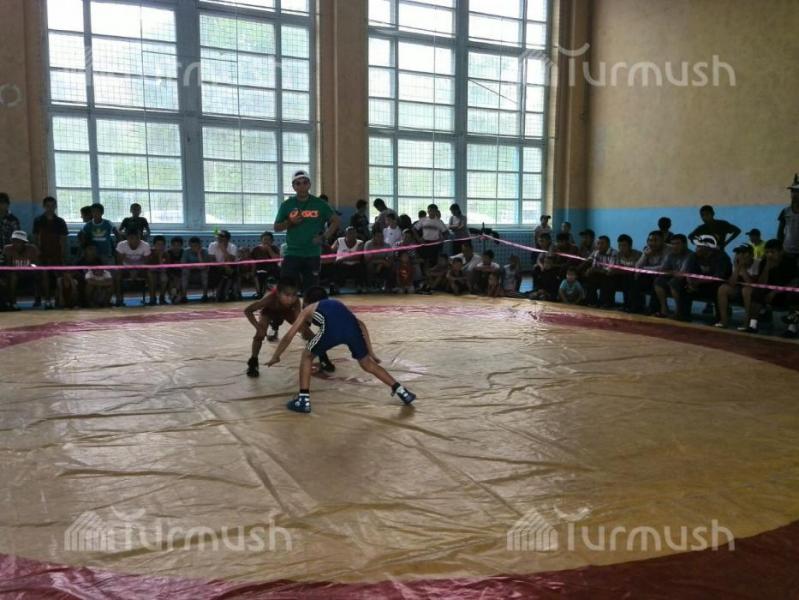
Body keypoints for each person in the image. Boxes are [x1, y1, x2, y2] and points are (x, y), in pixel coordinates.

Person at [266, 287, 417, 413]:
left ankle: (303, 401)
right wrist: (370, 352)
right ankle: (402, 391)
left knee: (307, 356)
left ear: (306, 301)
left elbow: (289, 335)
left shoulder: (309, 309)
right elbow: (361, 325)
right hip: (352, 330)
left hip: (332, 330)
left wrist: (276, 356)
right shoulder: (336, 303)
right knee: (367, 364)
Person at [244, 277, 336, 378]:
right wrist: (258, 327)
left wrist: (304, 330)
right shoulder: (269, 298)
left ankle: (323, 358)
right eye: (287, 295)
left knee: (308, 334)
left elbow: (298, 321)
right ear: (278, 294)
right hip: (269, 312)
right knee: (260, 334)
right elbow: (248, 310)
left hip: (287, 312)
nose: (291, 299)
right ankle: (253, 361)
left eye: (294, 295)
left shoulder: (296, 302)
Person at [275, 171, 340, 291]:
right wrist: (290, 222)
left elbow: (335, 221)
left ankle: (309, 303)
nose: (302, 186)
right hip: (292, 253)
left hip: (312, 254)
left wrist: (324, 237)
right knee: (287, 288)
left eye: (305, 182)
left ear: (309, 184)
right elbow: (276, 227)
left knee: (311, 290)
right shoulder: (286, 205)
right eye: (298, 183)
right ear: (293, 187)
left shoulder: (320, 204)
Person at [738, 239, 798, 333]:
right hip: (768, 293)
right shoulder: (764, 262)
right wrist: (766, 268)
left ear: (781, 252)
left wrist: (775, 292)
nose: (769, 255)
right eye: (767, 252)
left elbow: (794, 282)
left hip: (785, 293)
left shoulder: (790, 262)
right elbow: (761, 283)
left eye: (772, 252)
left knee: (794, 295)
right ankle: (753, 325)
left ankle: (792, 329)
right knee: (756, 292)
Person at [32, 196, 68, 309]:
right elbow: (35, 238)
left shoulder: (60, 222)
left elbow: (63, 240)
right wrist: (37, 252)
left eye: (52, 206)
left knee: (59, 277)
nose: (50, 208)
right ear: (44, 206)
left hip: (56, 254)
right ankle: (46, 300)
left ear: (55, 206)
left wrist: (62, 255)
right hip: (42, 254)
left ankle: (59, 299)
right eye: (48, 206)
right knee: (43, 276)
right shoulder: (38, 220)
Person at [653, 234, 698, 318]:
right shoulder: (670, 255)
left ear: (685, 245)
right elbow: (662, 270)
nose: (674, 246)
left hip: (688, 281)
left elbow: (682, 273)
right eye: (673, 244)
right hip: (673, 277)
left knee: (673, 283)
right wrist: (673, 272)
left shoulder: (690, 255)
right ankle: (664, 309)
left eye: (677, 243)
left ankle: (678, 312)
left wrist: (672, 272)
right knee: (658, 281)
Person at [715, 245, 758, 329]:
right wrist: (737, 267)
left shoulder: (757, 263)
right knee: (723, 288)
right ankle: (724, 321)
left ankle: (747, 323)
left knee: (746, 290)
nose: (740, 256)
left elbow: (750, 283)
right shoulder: (736, 263)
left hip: (753, 292)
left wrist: (742, 268)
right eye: (738, 253)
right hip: (738, 290)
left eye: (743, 253)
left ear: (751, 255)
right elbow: (731, 283)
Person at [630, 230, 670, 313]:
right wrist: (645, 255)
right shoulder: (648, 249)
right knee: (635, 279)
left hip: (665, 276)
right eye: (650, 240)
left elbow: (663, 268)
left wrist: (644, 268)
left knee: (657, 281)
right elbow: (637, 266)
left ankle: (654, 309)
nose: (652, 243)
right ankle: (637, 307)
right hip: (650, 275)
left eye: (656, 240)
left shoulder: (668, 249)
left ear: (662, 241)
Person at [2, 231, 39, 310]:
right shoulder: (7, 249)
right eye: (14, 241)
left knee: (42, 273)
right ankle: (13, 302)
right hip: (15, 274)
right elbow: (7, 266)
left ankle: (43, 300)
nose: (15, 243)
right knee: (13, 277)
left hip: (29, 273)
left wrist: (31, 267)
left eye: (18, 241)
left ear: (24, 242)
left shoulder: (32, 249)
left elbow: (36, 264)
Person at [579, 235, 618, 307]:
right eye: (598, 243)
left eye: (602, 243)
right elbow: (593, 266)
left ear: (608, 244)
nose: (599, 246)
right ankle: (592, 301)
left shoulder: (613, 253)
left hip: (612, 276)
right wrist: (589, 270)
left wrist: (594, 270)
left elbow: (610, 270)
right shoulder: (596, 252)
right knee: (590, 277)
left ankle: (605, 303)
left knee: (606, 279)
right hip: (599, 274)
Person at [115, 229, 151, 305]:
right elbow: (119, 263)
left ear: (140, 237)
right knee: (117, 275)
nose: (134, 240)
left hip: (141, 270)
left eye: (137, 238)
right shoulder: (121, 245)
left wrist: (137, 271)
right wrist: (130, 271)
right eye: (131, 238)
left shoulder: (146, 245)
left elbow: (147, 263)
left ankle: (152, 299)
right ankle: (119, 300)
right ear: (127, 238)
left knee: (151, 274)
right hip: (125, 269)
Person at [331, 227, 365, 294]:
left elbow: (357, 256)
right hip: (340, 264)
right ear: (345, 234)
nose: (352, 235)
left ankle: (359, 286)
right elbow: (331, 250)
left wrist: (343, 258)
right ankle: (336, 287)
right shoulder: (339, 241)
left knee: (360, 266)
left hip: (354, 264)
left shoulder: (360, 243)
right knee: (335, 266)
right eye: (350, 233)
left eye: (354, 233)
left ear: (356, 234)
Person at [208, 230, 240, 301]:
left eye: (222, 237)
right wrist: (223, 266)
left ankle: (226, 294)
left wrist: (223, 249)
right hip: (217, 266)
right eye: (219, 237)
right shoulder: (212, 245)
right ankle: (219, 294)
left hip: (229, 266)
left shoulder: (232, 246)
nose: (219, 239)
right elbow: (212, 260)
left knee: (230, 273)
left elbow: (231, 261)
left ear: (227, 239)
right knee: (225, 272)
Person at [250, 232, 281, 298]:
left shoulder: (274, 248)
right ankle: (259, 293)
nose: (266, 241)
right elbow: (253, 262)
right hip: (260, 269)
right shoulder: (256, 249)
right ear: (261, 240)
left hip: (273, 269)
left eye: (269, 240)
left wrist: (269, 249)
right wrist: (252, 272)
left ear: (272, 241)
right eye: (265, 239)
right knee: (259, 274)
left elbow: (277, 259)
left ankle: (275, 294)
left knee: (276, 274)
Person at [180, 237, 210, 303]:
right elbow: (183, 265)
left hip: (200, 274)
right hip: (190, 273)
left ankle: (205, 295)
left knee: (204, 273)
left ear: (200, 245)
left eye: (195, 246)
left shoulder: (204, 251)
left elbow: (204, 266)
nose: (193, 248)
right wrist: (196, 266)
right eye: (192, 246)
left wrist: (199, 253)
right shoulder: (186, 251)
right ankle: (184, 296)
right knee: (185, 272)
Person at [777, 175, 799, 260]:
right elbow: (780, 233)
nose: (794, 194)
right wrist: (780, 248)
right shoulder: (785, 211)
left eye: (797, 191)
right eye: (792, 191)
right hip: (787, 252)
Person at [146, 236, 170, 305]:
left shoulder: (166, 254)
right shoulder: (149, 253)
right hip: (151, 273)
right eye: (158, 244)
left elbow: (164, 269)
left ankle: (162, 298)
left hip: (161, 272)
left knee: (164, 278)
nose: (160, 247)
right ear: (154, 245)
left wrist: (160, 257)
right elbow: (147, 267)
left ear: (164, 246)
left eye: (162, 244)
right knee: (151, 276)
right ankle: (152, 298)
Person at [0, 193, 21, 258]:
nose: (1, 205)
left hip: (9, 252)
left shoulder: (13, 220)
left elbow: (17, 237)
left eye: (3, 203)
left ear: (8, 204)